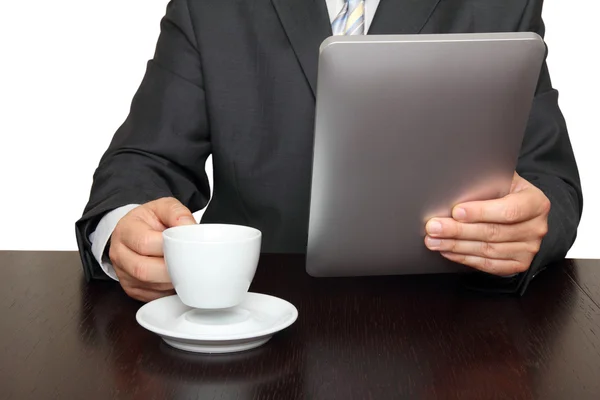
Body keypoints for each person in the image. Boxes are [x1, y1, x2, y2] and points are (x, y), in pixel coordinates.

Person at [76, 0, 582, 302]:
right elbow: (142, 162)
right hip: (250, 321)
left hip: (454, 330)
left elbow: (549, 181)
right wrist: (123, 228)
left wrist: (528, 232)